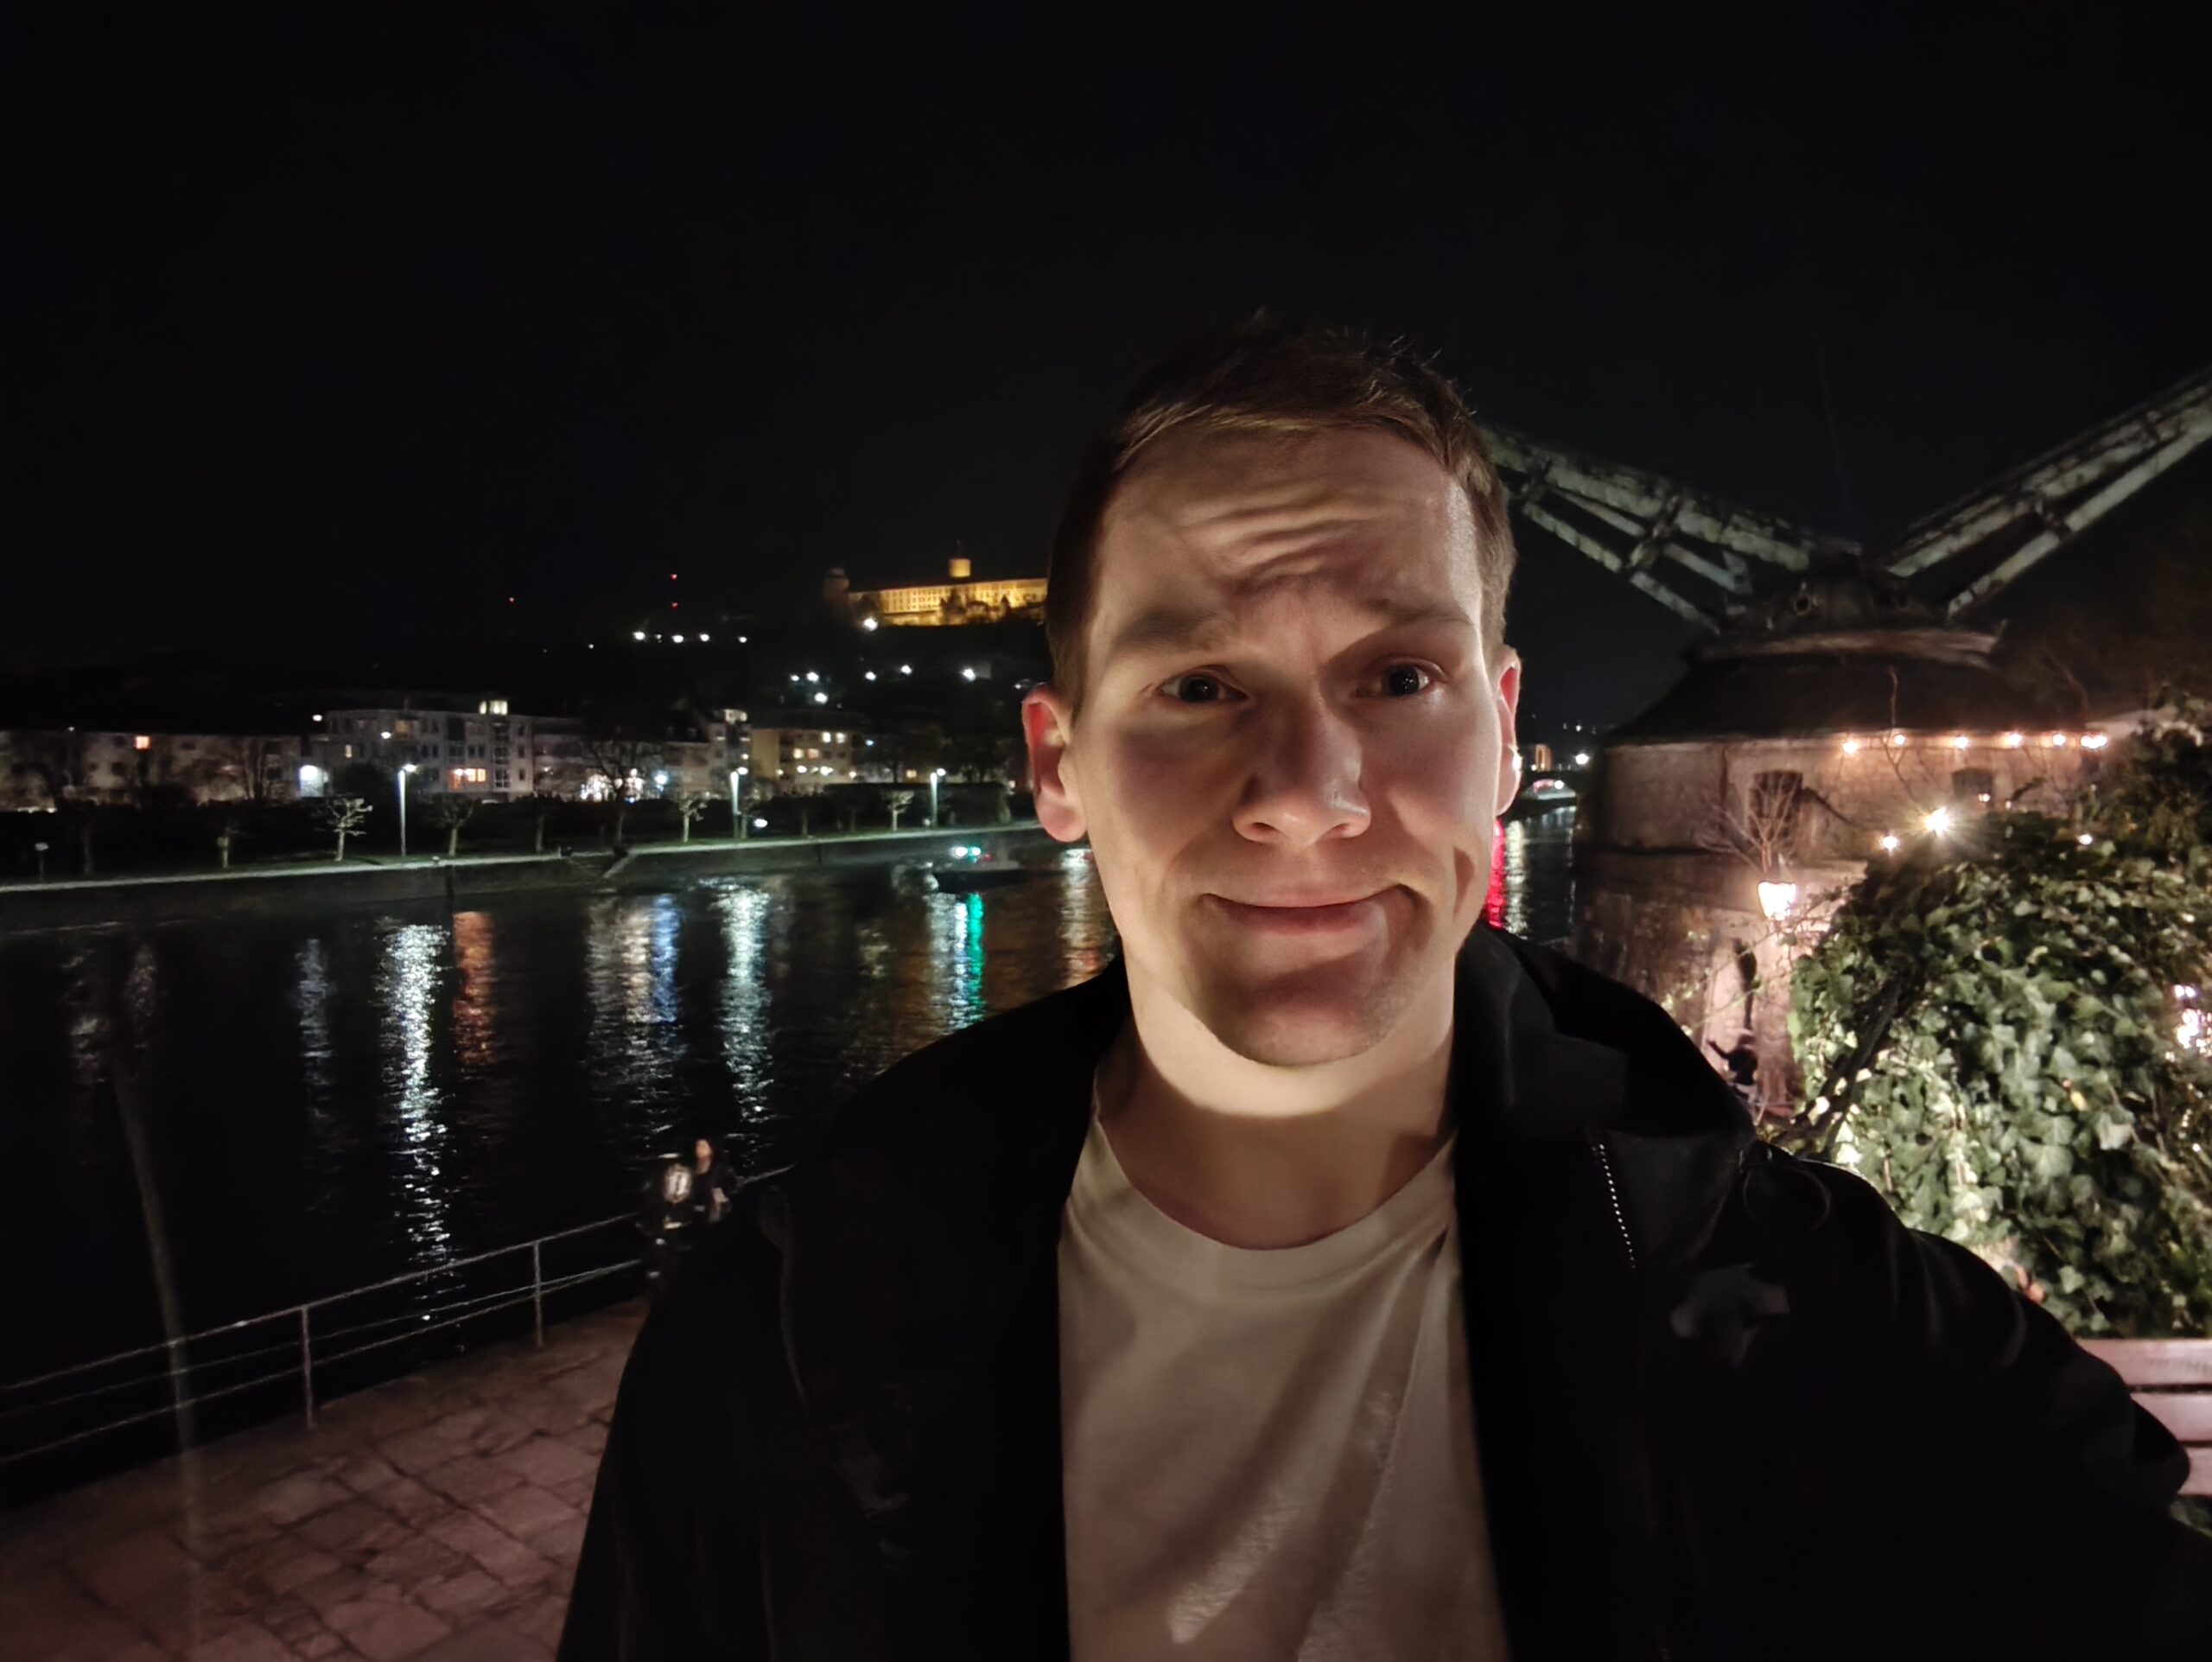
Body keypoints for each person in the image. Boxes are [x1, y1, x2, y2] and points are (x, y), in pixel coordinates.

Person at [562, 321, 2212, 1660]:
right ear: (1057, 764)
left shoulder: (1819, 1314)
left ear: (1505, 739)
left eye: (1400, 676)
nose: (1307, 794)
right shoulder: (761, 1360)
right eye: (1198, 685)